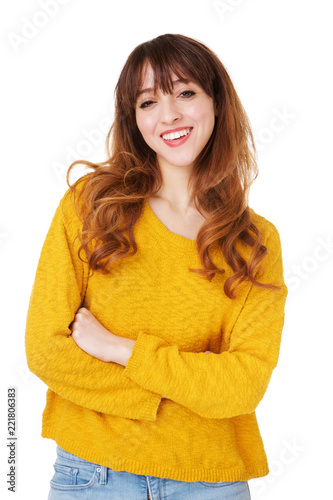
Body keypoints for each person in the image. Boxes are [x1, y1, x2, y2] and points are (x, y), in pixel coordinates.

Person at [25, 33, 288, 500]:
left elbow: (243, 386)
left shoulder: (255, 242)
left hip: (211, 482)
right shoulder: (93, 205)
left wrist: (119, 349)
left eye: (185, 93)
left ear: (217, 102)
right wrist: (185, 388)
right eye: (148, 102)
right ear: (134, 118)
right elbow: (47, 349)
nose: (169, 115)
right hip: (95, 475)